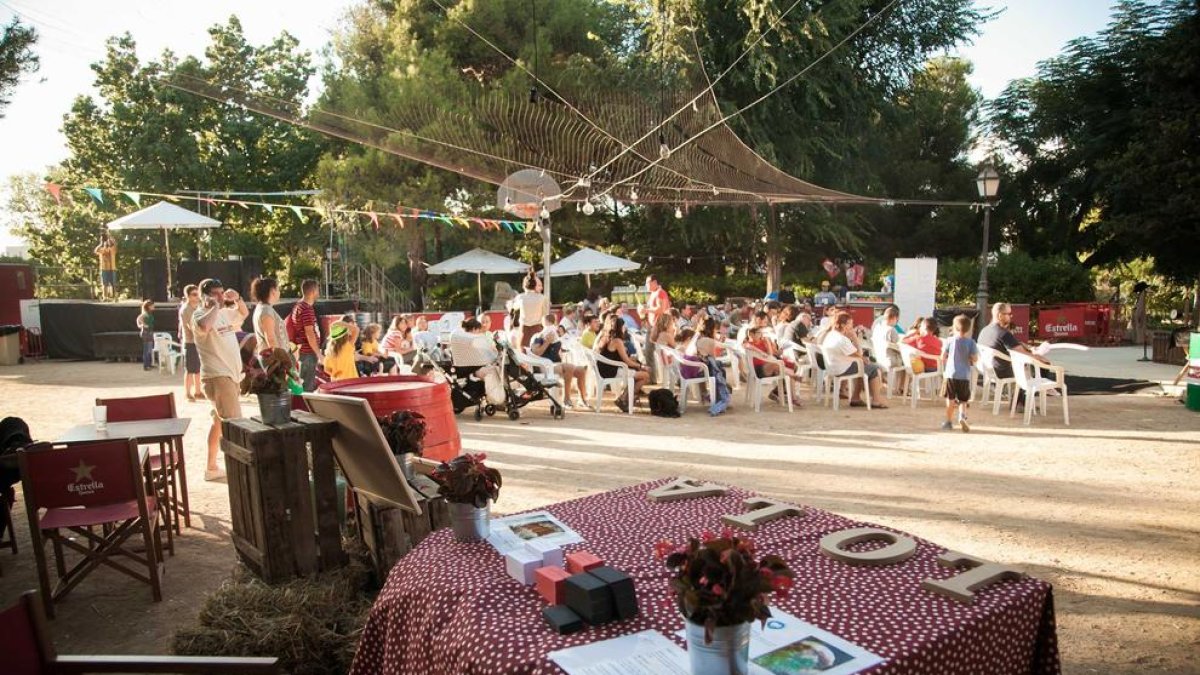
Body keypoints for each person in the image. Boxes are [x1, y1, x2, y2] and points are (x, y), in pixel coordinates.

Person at [191, 278, 249, 481]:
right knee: (234, 424)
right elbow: (204, 326)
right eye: (216, 293)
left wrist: (238, 299)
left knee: (218, 423)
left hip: (230, 376)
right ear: (205, 295)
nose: (220, 297)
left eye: (222, 292)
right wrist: (214, 305)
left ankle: (211, 466)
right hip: (218, 376)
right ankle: (239, 472)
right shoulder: (199, 314)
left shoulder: (223, 313)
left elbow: (243, 313)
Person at [979, 302, 1049, 412]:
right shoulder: (1003, 333)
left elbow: (1013, 346)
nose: (1011, 316)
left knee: (1028, 364)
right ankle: (1021, 402)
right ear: (1000, 315)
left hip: (990, 369)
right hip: (1004, 370)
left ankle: (1020, 400)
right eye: (1009, 314)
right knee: (1042, 365)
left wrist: (1026, 348)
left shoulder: (984, 330)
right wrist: (1039, 357)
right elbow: (1023, 354)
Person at [820, 311, 887, 408]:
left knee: (863, 367)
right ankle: (876, 400)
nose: (852, 326)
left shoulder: (831, 335)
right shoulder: (841, 339)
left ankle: (856, 397)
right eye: (850, 324)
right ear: (843, 325)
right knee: (874, 369)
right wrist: (855, 338)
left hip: (833, 367)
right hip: (841, 368)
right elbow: (859, 354)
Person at [593, 314, 650, 412]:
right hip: (611, 370)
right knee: (645, 375)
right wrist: (641, 366)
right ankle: (624, 399)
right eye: (624, 326)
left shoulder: (605, 337)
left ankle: (625, 398)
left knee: (638, 372)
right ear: (620, 328)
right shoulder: (617, 341)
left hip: (604, 369)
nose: (625, 328)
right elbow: (626, 361)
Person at [531, 315, 588, 408]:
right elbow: (536, 352)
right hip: (544, 365)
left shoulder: (554, 334)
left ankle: (582, 399)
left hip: (555, 364)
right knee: (568, 367)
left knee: (581, 370)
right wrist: (547, 342)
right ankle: (566, 399)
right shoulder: (538, 336)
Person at [941, 314, 979, 432]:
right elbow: (974, 358)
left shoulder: (949, 341)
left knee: (950, 398)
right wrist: (969, 358)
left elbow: (943, 356)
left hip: (951, 374)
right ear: (968, 329)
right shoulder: (971, 343)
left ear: (954, 327)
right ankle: (962, 416)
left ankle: (948, 421)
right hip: (964, 375)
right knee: (963, 399)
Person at [689, 317, 731, 416]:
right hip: (698, 370)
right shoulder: (708, 341)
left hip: (690, 367)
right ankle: (719, 399)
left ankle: (709, 395)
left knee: (718, 366)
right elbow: (713, 357)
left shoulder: (697, 336)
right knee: (719, 369)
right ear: (712, 329)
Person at [290, 279, 322, 391]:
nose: (319, 293)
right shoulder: (306, 309)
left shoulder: (298, 306)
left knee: (303, 384)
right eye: (318, 290)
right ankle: (304, 408)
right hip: (308, 353)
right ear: (313, 291)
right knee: (307, 387)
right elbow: (310, 334)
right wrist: (319, 354)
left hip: (303, 352)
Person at [250, 277, 290, 364]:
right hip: (274, 362)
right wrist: (281, 361)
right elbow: (271, 338)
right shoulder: (266, 310)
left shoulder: (263, 308)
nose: (279, 292)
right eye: (278, 289)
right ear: (272, 291)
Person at [178, 285, 203, 401]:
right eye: (194, 294)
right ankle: (187, 393)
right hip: (190, 342)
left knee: (198, 369)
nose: (197, 296)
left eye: (198, 293)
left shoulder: (198, 307)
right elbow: (192, 326)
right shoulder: (186, 309)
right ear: (188, 296)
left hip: (198, 341)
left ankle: (198, 392)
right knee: (190, 370)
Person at [511, 271, 548, 348]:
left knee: (524, 354)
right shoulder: (542, 298)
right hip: (538, 329)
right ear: (535, 285)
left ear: (524, 286)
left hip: (523, 330)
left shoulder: (520, 297)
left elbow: (513, 308)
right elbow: (545, 315)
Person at [94, 234, 118, 301]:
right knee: (104, 284)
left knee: (114, 284)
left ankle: (114, 297)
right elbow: (95, 251)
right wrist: (100, 244)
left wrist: (111, 239)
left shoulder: (112, 249)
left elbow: (115, 245)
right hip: (104, 268)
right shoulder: (102, 250)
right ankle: (105, 297)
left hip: (112, 268)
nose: (106, 243)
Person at [136, 300, 156, 371]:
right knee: (146, 350)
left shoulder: (150, 314)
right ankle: (146, 365)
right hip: (146, 333)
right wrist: (142, 325)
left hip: (150, 333)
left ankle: (149, 364)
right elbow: (138, 319)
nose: (154, 307)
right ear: (148, 307)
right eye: (152, 306)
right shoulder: (145, 314)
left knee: (149, 349)